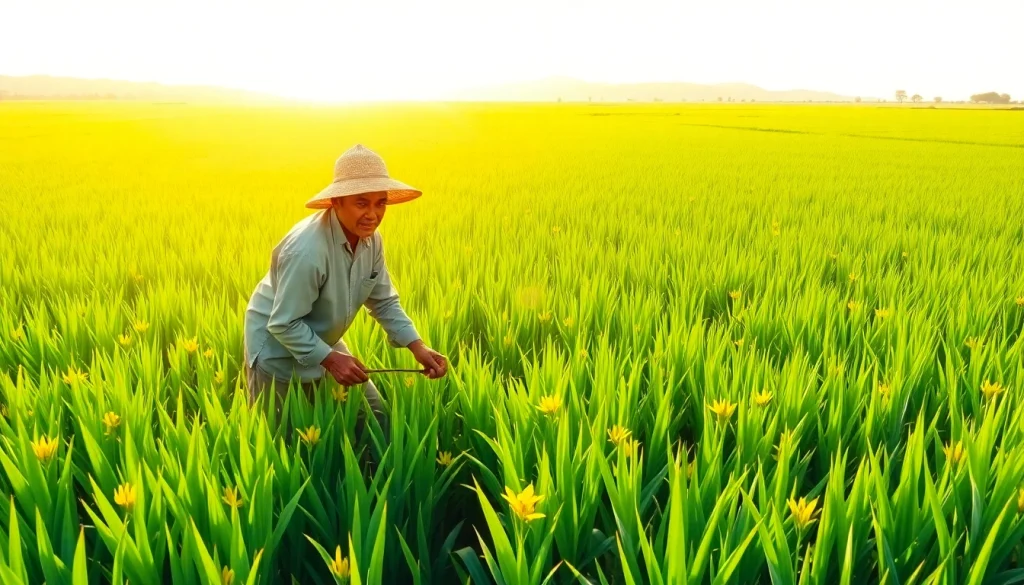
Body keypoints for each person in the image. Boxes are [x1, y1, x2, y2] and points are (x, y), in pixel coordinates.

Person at [243, 144, 448, 436]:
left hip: (323, 339)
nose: (373, 214)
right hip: (276, 349)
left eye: (381, 203)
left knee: (375, 419)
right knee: (282, 441)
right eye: (361, 203)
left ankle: (372, 475)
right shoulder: (307, 251)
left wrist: (418, 347)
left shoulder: (370, 240)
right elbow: (284, 323)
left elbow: (384, 301)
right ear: (336, 202)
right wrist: (330, 358)